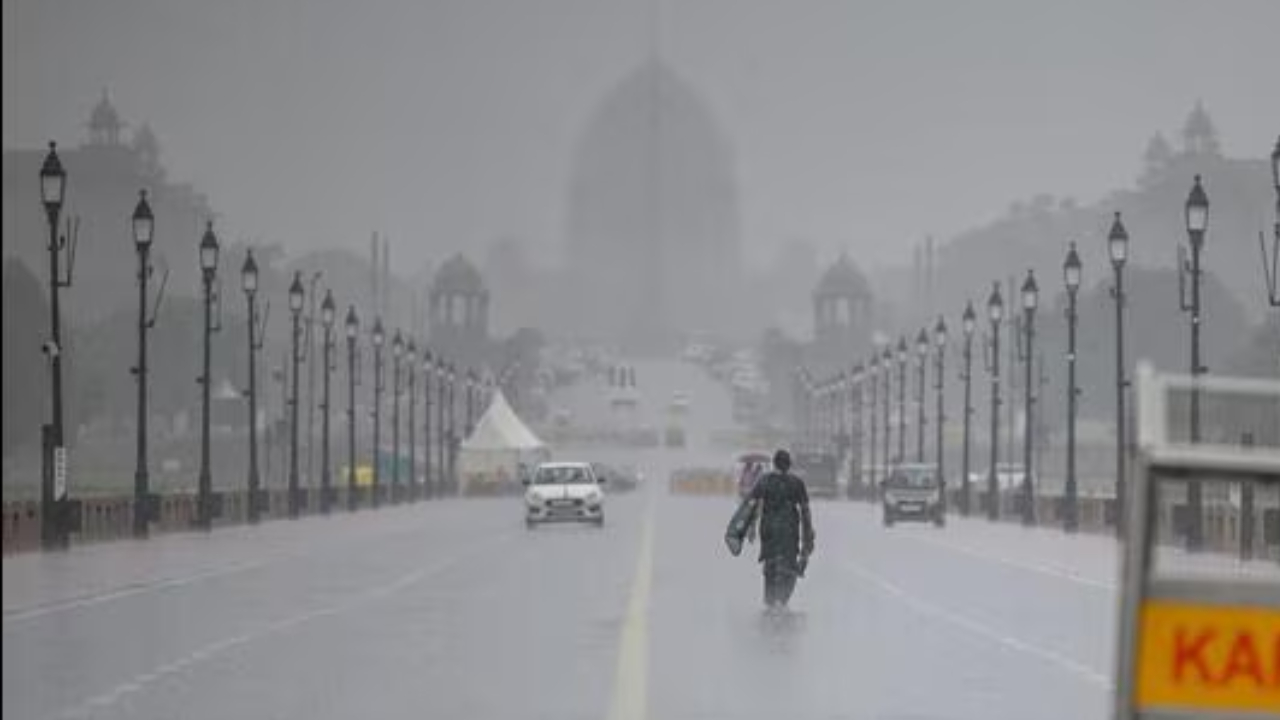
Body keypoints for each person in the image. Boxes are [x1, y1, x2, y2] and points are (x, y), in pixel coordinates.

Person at [747, 449, 815, 609]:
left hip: (769, 534)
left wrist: (750, 528)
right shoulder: (797, 483)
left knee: (770, 567)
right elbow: (805, 512)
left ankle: (770, 603)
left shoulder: (764, 481)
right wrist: (808, 537)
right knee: (790, 569)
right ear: (789, 465)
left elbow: (752, 505)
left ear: (774, 463)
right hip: (789, 534)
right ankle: (782, 603)